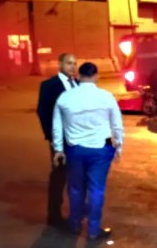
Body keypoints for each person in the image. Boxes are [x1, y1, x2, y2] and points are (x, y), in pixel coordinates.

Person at [52, 62, 124, 241]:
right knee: (96, 190)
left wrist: (58, 149)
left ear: (79, 76)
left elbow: (57, 126)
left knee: (75, 189)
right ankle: (93, 229)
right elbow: (117, 124)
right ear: (96, 76)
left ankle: (75, 224)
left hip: (75, 150)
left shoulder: (65, 98)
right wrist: (119, 146)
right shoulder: (106, 97)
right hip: (100, 150)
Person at [36, 53, 78, 228]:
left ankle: (76, 214)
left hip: (78, 139)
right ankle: (54, 216)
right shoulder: (49, 86)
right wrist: (52, 137)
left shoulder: (78, 84)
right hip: (60, 139)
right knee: (59, 176)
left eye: (74, 63)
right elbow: (42, 111)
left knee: (77, 177)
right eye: (69, 63)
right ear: (60, 64)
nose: (72, 66)